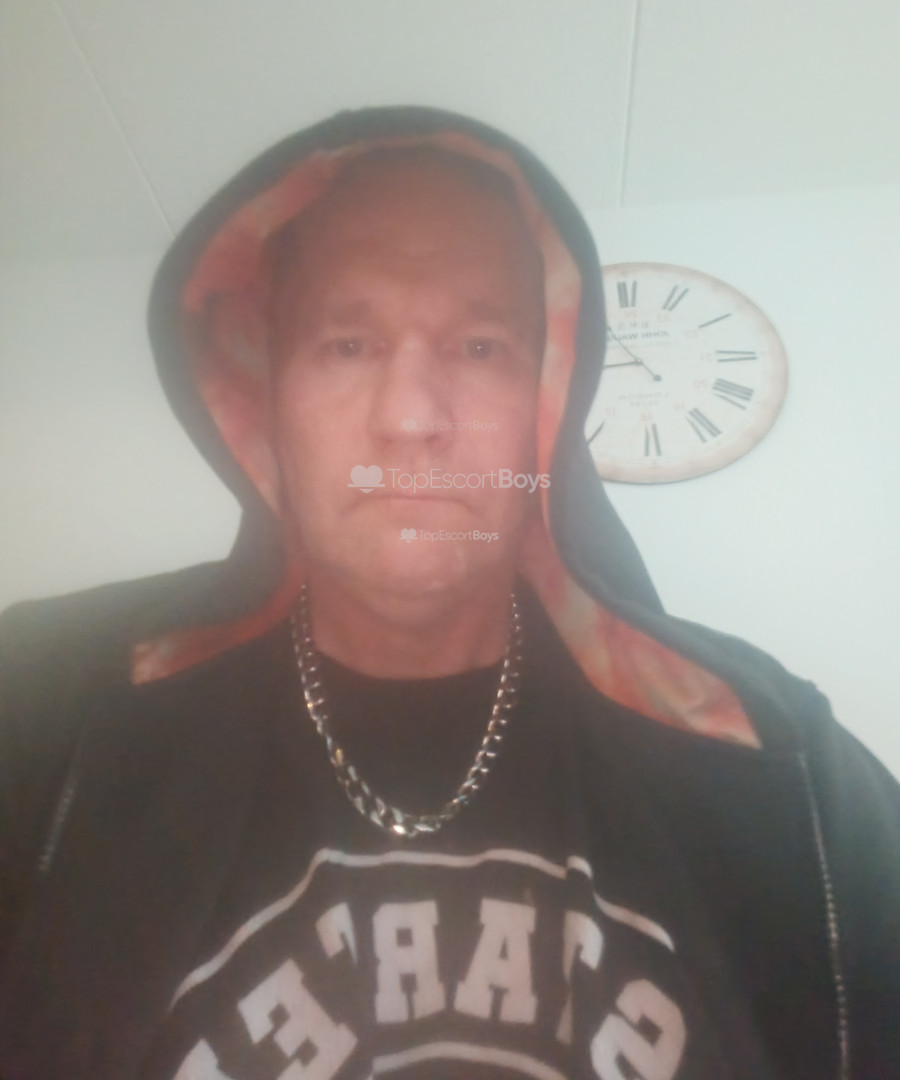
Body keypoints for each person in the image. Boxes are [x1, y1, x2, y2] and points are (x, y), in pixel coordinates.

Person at [0, 106, 897, 1080]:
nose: (411, 419)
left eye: (480, 347)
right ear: (264, 398)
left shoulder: (774, 767)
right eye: (346, 344)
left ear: (548, 402)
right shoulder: (48, 715)